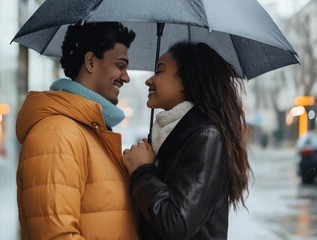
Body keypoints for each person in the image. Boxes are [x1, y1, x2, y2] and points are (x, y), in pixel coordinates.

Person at [15, 22, 137, 239]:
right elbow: (56, 235)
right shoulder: (57, 135)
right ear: (90, 62)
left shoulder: (92, 133)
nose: (126, 77)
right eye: (120, 65)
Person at [122, 41, 252, 240]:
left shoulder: (205, 137)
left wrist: (143, 171)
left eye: (159, 71)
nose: (149, 80)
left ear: (184, 82)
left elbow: (177, 223)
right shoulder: (172, 137)